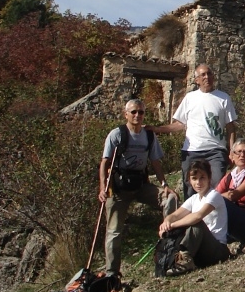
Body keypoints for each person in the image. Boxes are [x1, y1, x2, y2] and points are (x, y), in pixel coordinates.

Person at [99, 99, 177, 277]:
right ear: (125, 114)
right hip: (118, 188)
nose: (137, 116)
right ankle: (112, 273)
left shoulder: (149, 136)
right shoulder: (117, 134)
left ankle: (167, 252)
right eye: (133, 112)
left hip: (141, 184)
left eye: (141, 112)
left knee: (170, 199)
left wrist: (165, 185)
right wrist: (103, 188)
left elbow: (155, 161)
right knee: (114, 231)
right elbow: (105, 162)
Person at [149, 64, 237, 194]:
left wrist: (232, 151)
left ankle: (213, 214)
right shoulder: (190, 98)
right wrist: (156, 129)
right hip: (191, 151)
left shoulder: (223, 98)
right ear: (197, 80)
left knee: (217, 188)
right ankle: (191, 214)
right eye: (203, 75)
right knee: (190, 190)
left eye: (209, 73)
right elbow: (179, 124)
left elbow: (231, 127)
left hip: (216, 151)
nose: (207, 77)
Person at [158, 161, 230, 276]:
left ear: (209, 178)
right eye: (194, 178)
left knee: (197, 223)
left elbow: (198, 216)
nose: (198, 182)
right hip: (201, 249)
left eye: (202, 178)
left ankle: (186, 258)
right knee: (185, 225)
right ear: (190, 180)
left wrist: (172, 225)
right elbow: (176, 215)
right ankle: (179, 259)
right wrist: (166, 223)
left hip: (217, 248)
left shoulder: (214, 195)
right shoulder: (194, 199)